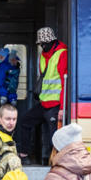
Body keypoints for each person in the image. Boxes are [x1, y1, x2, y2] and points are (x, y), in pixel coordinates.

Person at [18, 26, 67, 165]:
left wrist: (62, 108)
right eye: (41, 44)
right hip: (44, 102)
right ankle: (24, 154)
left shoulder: (62, 54)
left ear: (52, 42)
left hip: (56, 104)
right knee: (25, 121)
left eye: (45, 43)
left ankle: (56, 164)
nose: (43, 46)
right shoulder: (42, 56)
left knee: (54, 137)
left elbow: (64, 83)